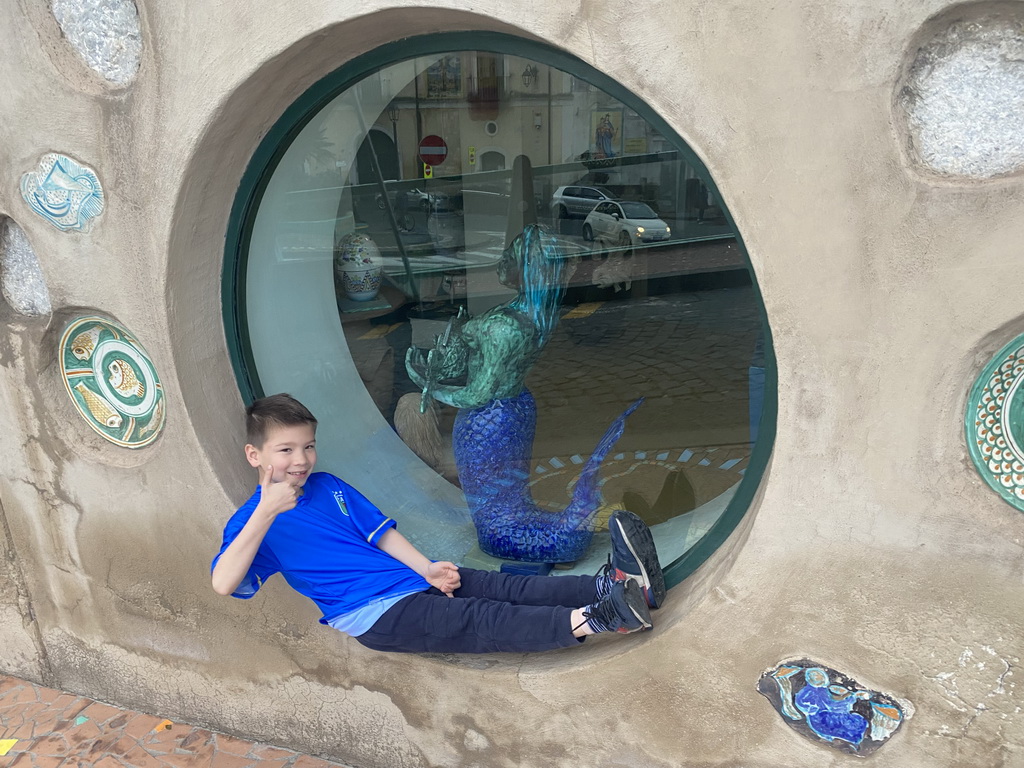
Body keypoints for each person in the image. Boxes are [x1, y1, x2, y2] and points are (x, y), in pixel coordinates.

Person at [211, 393, 667, 654]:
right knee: (482, 618)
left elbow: (380, 533)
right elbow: (223, 583)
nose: (302, 459)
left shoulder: (328, 484)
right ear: (255, 455)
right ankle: (602, 618)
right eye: (286, 449)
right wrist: (267, 510)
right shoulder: (251, 521)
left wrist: (427, 567)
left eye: (308, 446)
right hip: (376, 614)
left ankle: (622, 588)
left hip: (414, 580)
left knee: (505, 588)